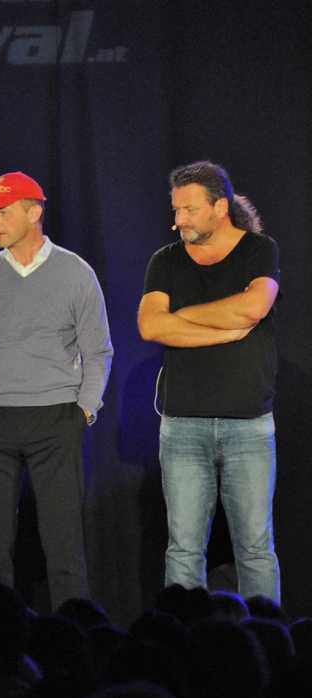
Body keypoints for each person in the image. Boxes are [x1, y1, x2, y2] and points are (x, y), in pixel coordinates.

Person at [0, 171, 113, 608]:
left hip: (54, 419)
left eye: (2, 212)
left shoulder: (76, 273)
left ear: (34, 212)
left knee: (63, 546)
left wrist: (83, 412)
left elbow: (98, 351)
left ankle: (73, 642)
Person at [137, 160, 280, 603]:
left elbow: (253, 308)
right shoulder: (165, 261)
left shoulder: (259, 250)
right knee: (183, 549)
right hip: (182, 427)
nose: (178, 219)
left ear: (220, 207)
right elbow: (150, 327)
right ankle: (182, 641)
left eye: (189, 210)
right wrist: (221, 325)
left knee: (255, 550)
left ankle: (268, 643)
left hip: (248, 425)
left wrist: (180, 318)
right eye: (175, 209)